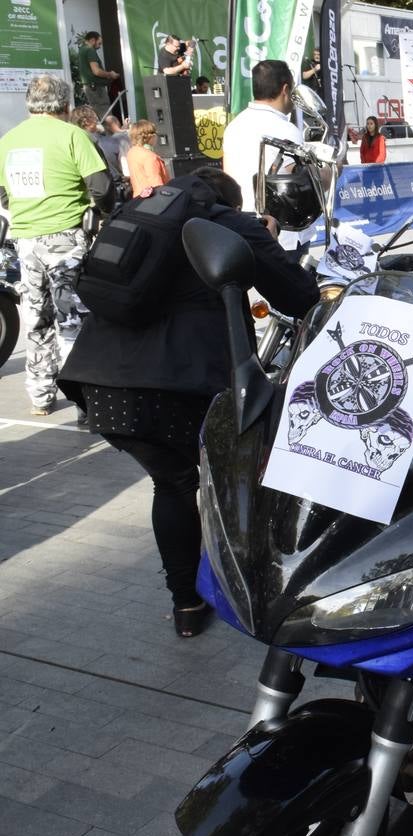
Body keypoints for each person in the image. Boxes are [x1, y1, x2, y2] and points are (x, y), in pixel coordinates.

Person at [57, 168, 319, 637]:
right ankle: (255, 589)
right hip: (179, 382)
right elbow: (299, 296)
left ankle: (186, 605)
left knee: (172, 483)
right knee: (238, 476)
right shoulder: (230, 224)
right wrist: (264, 239)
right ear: (229, 201)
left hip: (102, 381)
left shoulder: (138, 214)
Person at [0, 75, 114, 416]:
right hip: (66, 239)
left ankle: (40, 397)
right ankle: (82, 402)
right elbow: (102, 188)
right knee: (72, 320)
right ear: (65, 105)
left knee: (37, 317)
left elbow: (2, 192)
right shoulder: (73, 135)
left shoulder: (9, 140)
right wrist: (102, 214)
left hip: (26, 240)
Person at [222, 59, 304, 217]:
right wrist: (331, 169)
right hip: (280, 227)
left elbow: (227, 179)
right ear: (285, 90)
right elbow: (305, 182)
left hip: (242, 219)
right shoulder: (286, 130)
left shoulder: (233, 126)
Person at [76, 32, 118, 113]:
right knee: (105, 113)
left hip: (90, 87)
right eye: (99, 43)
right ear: (92, 40)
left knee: (98, 114)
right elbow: (96, 71)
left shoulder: (82, 50)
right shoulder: (90, 50)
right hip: (96, 88)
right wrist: (110, 74)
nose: (99, 46)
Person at [126, 120, 169, 196]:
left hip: (138, 199)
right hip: (152, 201)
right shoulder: (150, 157)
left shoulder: (132, 152)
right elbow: (157, 185)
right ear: (151, 136)